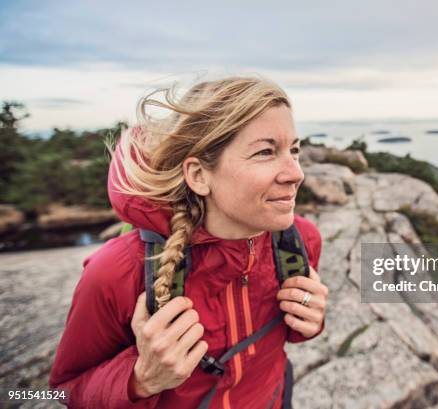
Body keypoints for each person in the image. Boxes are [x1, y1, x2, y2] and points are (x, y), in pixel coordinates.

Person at [48, 76, 328, 409]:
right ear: (198, 175)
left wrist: (309, 321)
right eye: (266, 151)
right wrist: (140, 380)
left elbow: (285, 337)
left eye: (293, 150)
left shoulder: (300, 240)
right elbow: (59, 392)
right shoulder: (116, 273)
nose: (296, 172)